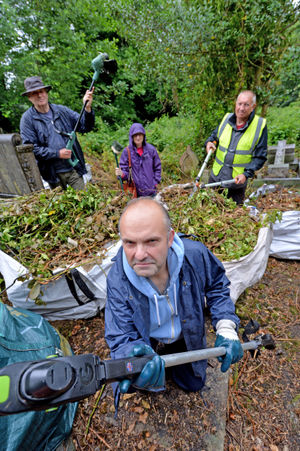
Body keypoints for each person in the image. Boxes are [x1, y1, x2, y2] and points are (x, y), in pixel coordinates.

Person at [105, 197, 243, 396]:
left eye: (151, 241)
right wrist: (130, 355)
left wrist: (226, 326)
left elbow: (217, 286)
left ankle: (178, 353)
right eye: (130, 243)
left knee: (193, 383)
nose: (140, 254)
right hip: (146, 336)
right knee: (145, 384)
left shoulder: (195, 255)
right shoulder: (118, 279)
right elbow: (119, 332)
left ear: (170, 238)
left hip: (184, 331)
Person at [20, 76, 95, 190]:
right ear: (29, 97)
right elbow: (30, 149)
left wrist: (87, 109)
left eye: (41, 91)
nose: (40, 95)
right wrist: (57, 153)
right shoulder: (27, 119)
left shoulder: (62, 111)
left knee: (83, 201)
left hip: (73, 170)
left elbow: (85, 126)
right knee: (58, 206)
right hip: (50, 176)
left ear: (46, 92)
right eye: (35, 93)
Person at [205, 90, 267, 205]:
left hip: (236, 184)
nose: (241, 108)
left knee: (232, 217)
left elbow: (260, 157)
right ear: (235, 104)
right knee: (209, 212)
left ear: (253, 107)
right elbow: (215, 136)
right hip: (215, 179)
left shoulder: (259, 126)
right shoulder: (226, 119)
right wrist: (210, 142)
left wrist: (246, 174)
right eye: (239, 104)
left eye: (246, 105)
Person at [115, 123, 161, 197]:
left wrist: (155, 183)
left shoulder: (151, 150)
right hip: (136, 193)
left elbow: (157, 167)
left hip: (151, 192)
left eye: (140, 135)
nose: (138, 138)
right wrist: (121, 174)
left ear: (144, 135)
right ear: (132, 137)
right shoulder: (127, 151)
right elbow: (124, 171)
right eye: (135, 135)